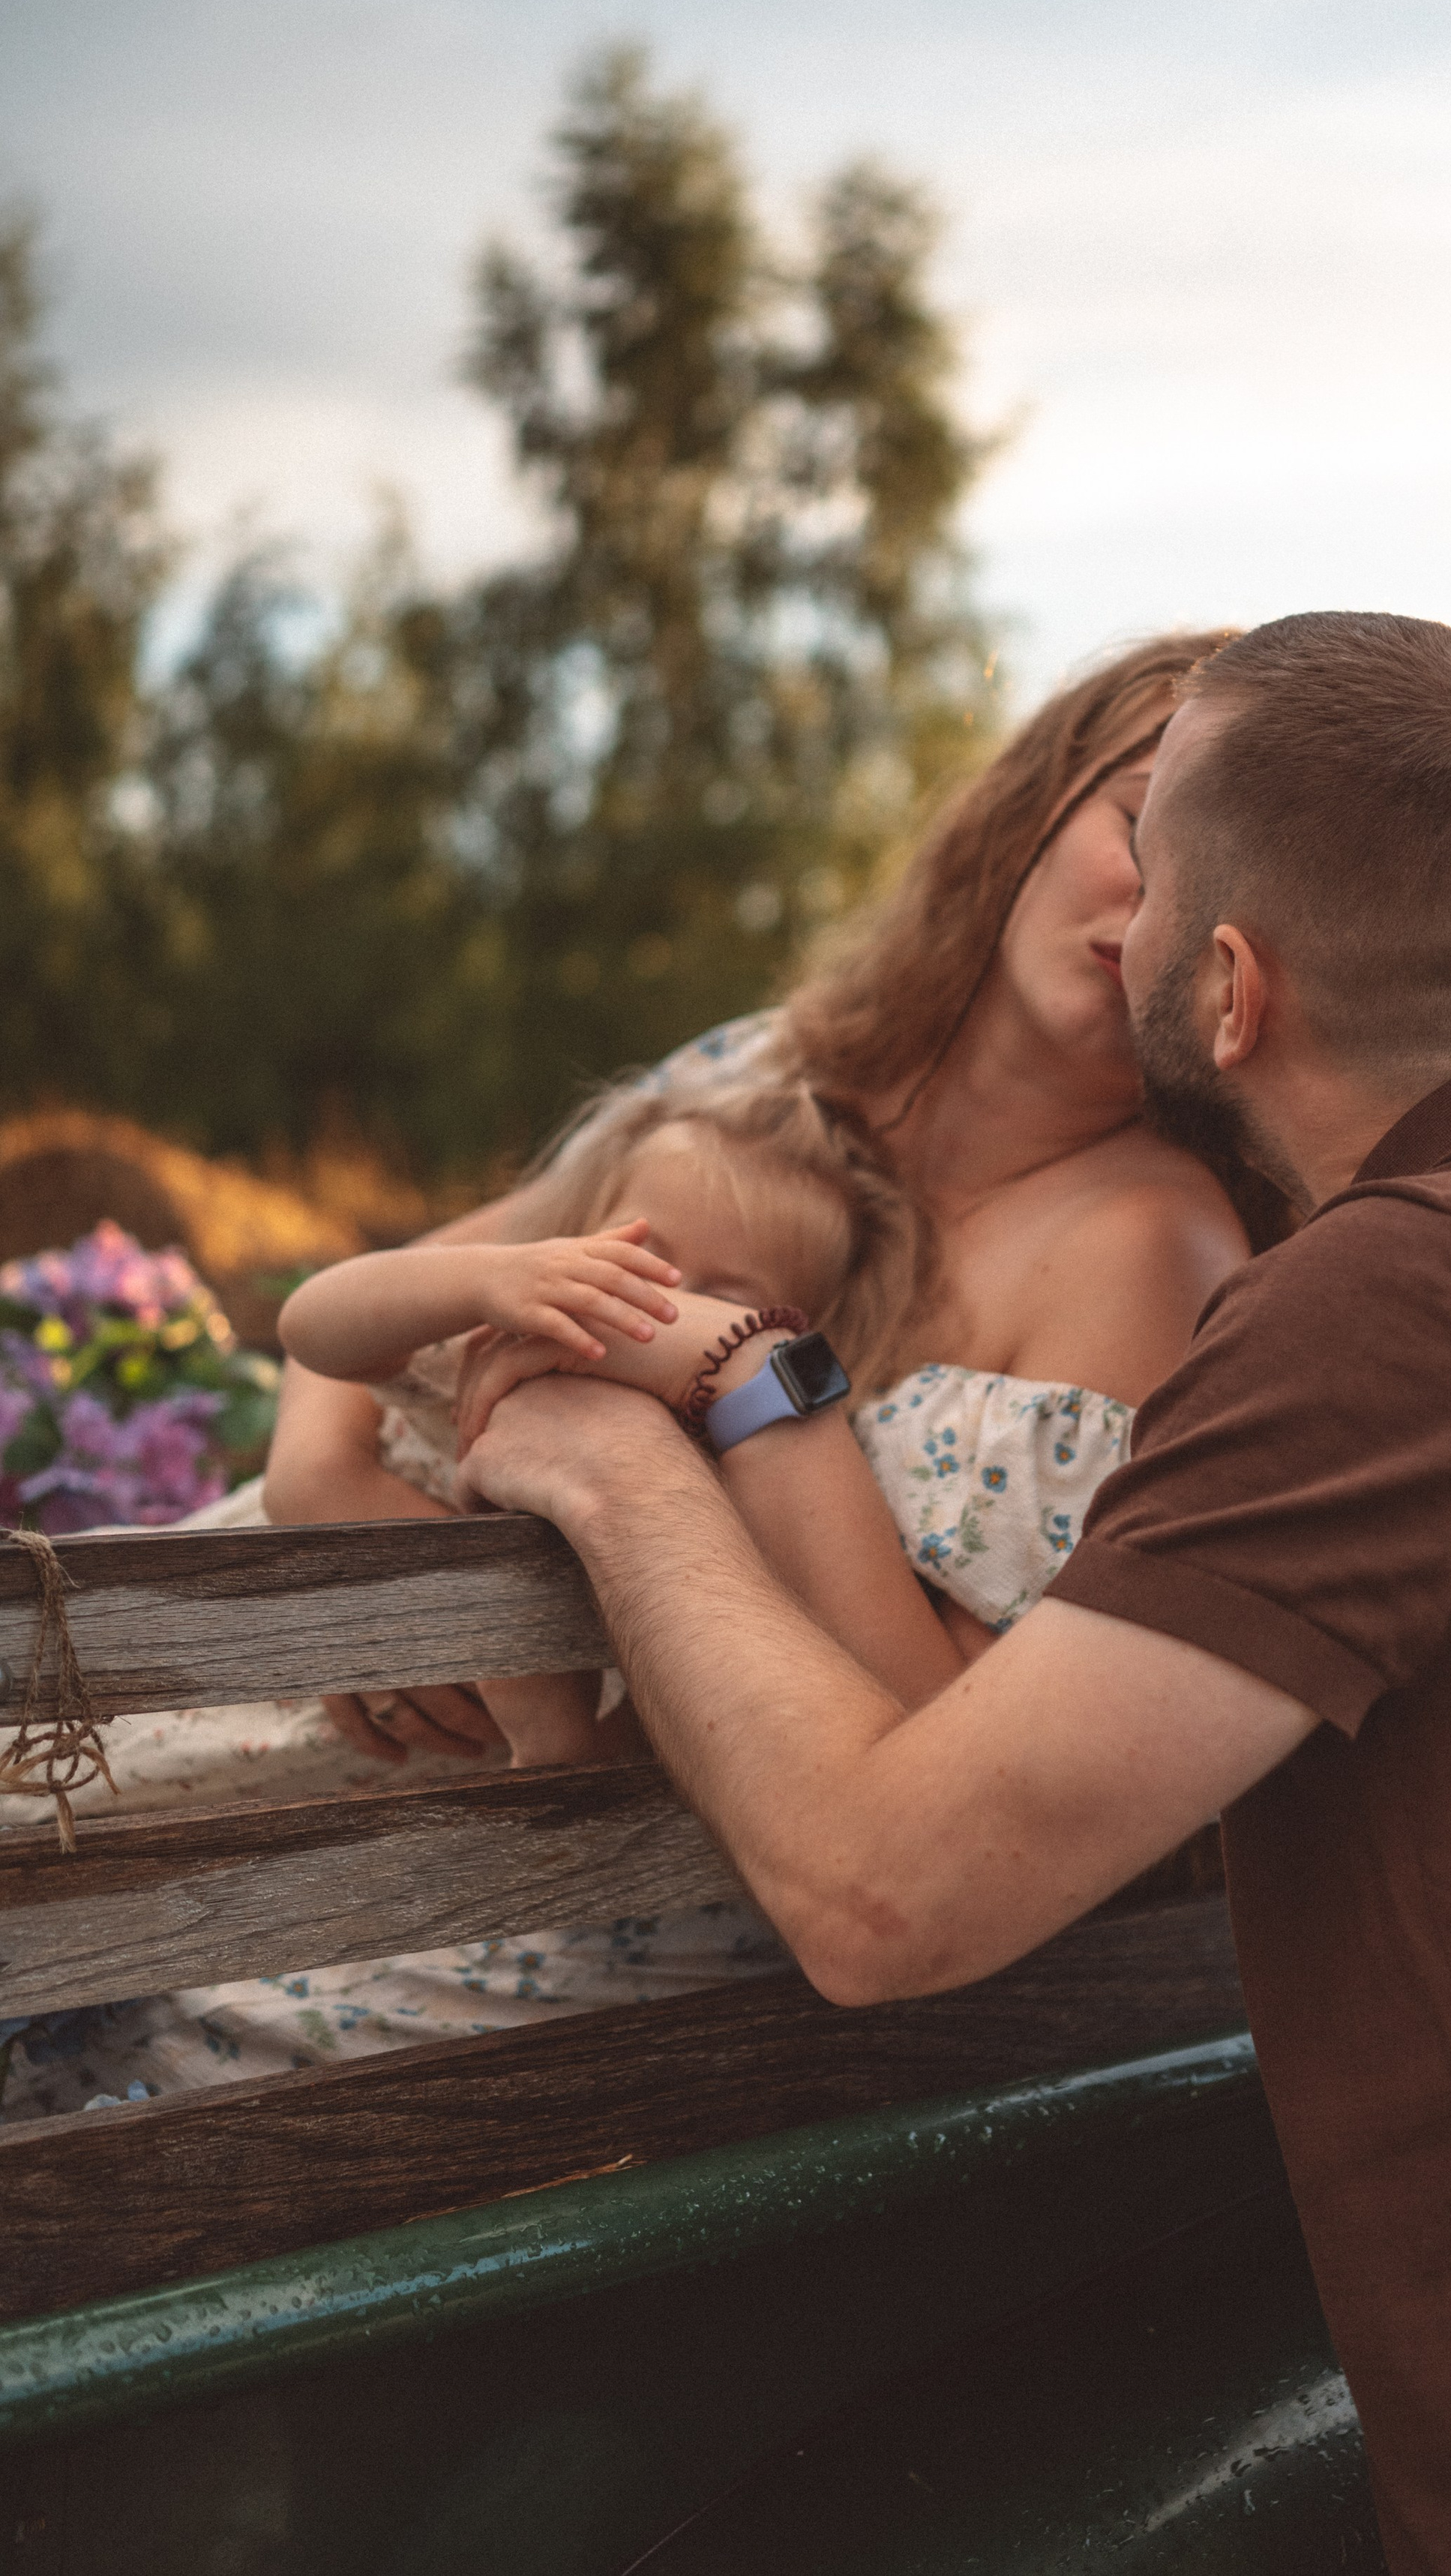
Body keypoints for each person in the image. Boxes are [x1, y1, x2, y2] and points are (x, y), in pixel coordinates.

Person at [462, 608, 1451, 2575]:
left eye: (1162, 887)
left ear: (1228, 989)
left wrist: (621, 1461)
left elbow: (889, 1893)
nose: (1124, 923)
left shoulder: (1401, 1305)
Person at [0, 629, 1258, 2116]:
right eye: (1136, 827)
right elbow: (435, 1284)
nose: (1153, 913)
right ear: (1046, 795)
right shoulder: (780, 1063)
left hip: (544, 1855)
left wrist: (729, 1386)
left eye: (1226, 899)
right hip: (317, 1622)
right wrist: (320, 1469)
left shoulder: (1145, 1247)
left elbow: (943, 1773)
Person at [276, 1081, 923, 1763]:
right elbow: (311, 1325)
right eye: (639, 1257)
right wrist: (483, 1280)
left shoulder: (726, 1503)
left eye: (716, 1300)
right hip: (239, 1656)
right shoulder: (494, 1353)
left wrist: (557, 1732)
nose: (660, 1298)